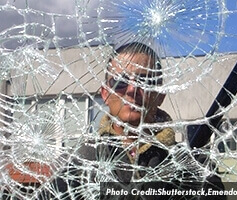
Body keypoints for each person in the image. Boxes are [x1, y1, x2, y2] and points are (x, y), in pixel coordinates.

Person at [38, 42, 226, 200]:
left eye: (144, 82)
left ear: (160, 94)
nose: (132, 90)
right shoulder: (82, 161)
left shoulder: (191, 164)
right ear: (105, 93)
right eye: (120, 82)